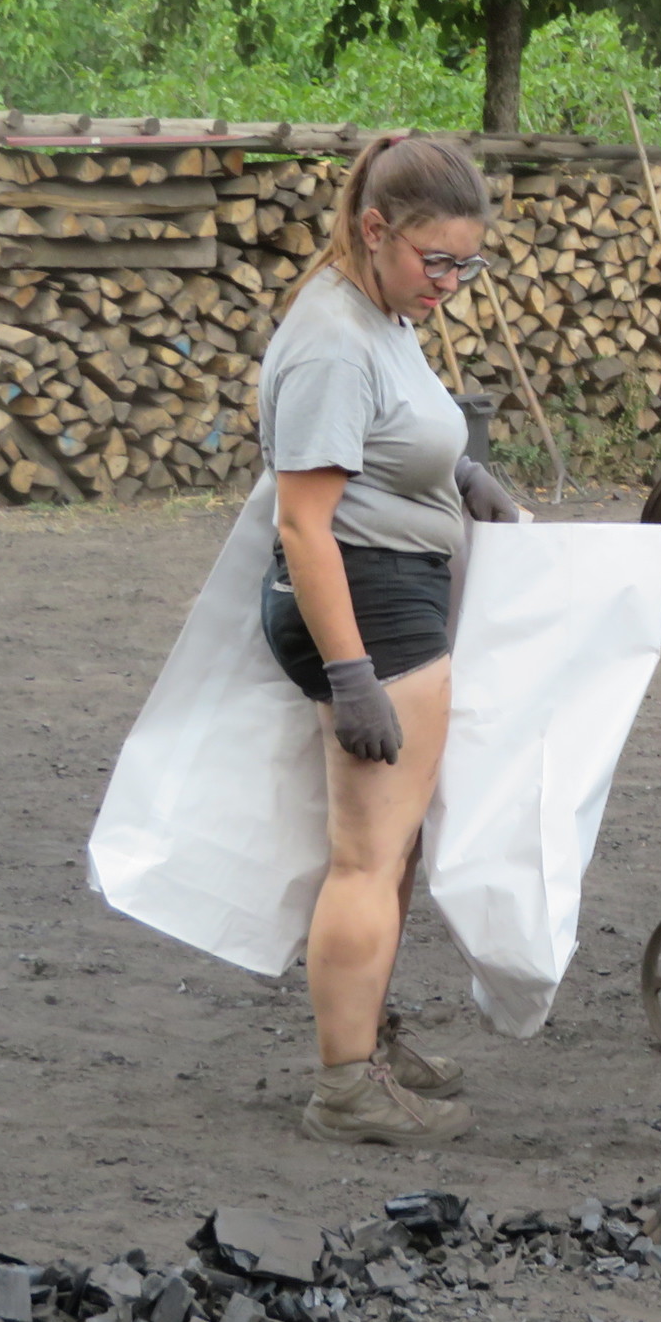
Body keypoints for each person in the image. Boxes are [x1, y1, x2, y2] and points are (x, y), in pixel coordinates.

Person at [257, 134, 522, 1147]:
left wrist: (463, 476)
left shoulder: (381, 312)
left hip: (390, 593)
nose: (449, 283)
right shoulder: (333, 338)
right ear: (375, 230)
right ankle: (343, 1088)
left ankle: (364, 1035)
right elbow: (302, 523)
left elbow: (391, 430)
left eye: (468, 265)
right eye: (436, 260)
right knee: (366, 858)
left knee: (391, 847)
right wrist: (353, 672)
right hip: (366, 604)